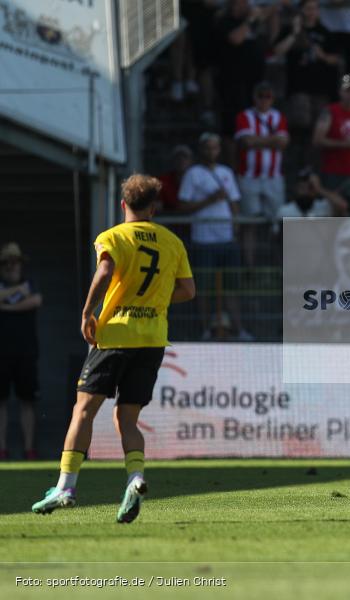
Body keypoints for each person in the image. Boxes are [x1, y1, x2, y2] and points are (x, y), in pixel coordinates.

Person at [30, 175, 195, 522]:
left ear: (123, 204)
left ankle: (65, 487)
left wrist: (87, 311)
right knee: (128, 418)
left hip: (115, 335)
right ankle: (135, 479)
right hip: (151, 340)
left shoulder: (113, 237)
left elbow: (105, 270)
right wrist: (153, 302)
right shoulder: (172, 242)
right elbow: (188, 291)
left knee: (83, 411)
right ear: (153, 207)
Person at [177, 133, 252, 341]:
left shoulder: (226, 172)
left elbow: (234, 202)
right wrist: (209, 200)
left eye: (215, 148)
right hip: (204, 240)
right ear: (201, 149)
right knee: (204, 287)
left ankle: (238, 329)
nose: (212, 152)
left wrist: (236, 226)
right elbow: (183, 205)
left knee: (231, 287)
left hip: (227, 239)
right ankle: (205, 330)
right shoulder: (193, 174)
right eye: (208, 148)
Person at [272, 0, 341, 154]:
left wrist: (322, 56)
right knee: (299, 123)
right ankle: (298, 159)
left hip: (321, 89)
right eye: (308, 8)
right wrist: (294, 33)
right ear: (301, 10)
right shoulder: (289, 30)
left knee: (317, 128)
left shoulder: (325, 32)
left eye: (315, 8)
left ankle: (312, 165)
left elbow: (337, 60)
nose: (311, 12)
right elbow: (277, 51)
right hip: (297, 87)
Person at [235, 81, 290, 267]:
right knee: (249, 223)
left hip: (274, 178)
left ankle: (277, 265)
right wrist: (272, 140)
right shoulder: (244, 116)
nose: (264, 100)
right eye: (261, 96)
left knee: (277, 222)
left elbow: (282, 143)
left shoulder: (279, 117)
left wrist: (258, 140)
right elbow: (246, 143)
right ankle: (250, 267)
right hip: (249, 177)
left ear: (273, 99)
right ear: (255, 97)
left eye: (268, 96)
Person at [0, 243, 41, 460]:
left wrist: (5, 305)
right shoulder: (18, 286)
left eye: (14, 261)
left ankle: (29, 449)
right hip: (2, 353)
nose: (11, 266)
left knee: (27, 401)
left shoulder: (30, 284)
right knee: (1, 402)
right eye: (7, 262)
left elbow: (35, 300)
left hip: (26, 351)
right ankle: (2, 448)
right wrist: (16, 293)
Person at [213, 0, 270, 147]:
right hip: (232, 81)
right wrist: (250, 19)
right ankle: (232, 167)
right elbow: (236, 38)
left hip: (253, 80)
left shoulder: (252, 21)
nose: (248, 5)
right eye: (243, 2)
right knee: (231, 127)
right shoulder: (225, 21)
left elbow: (270, 11)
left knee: (252, 126)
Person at [313, 75, 350, 190]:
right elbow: (317, 141)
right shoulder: (330, 111)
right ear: (340, 92)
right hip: (333, 172)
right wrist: (344, 144)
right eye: (347, 90)